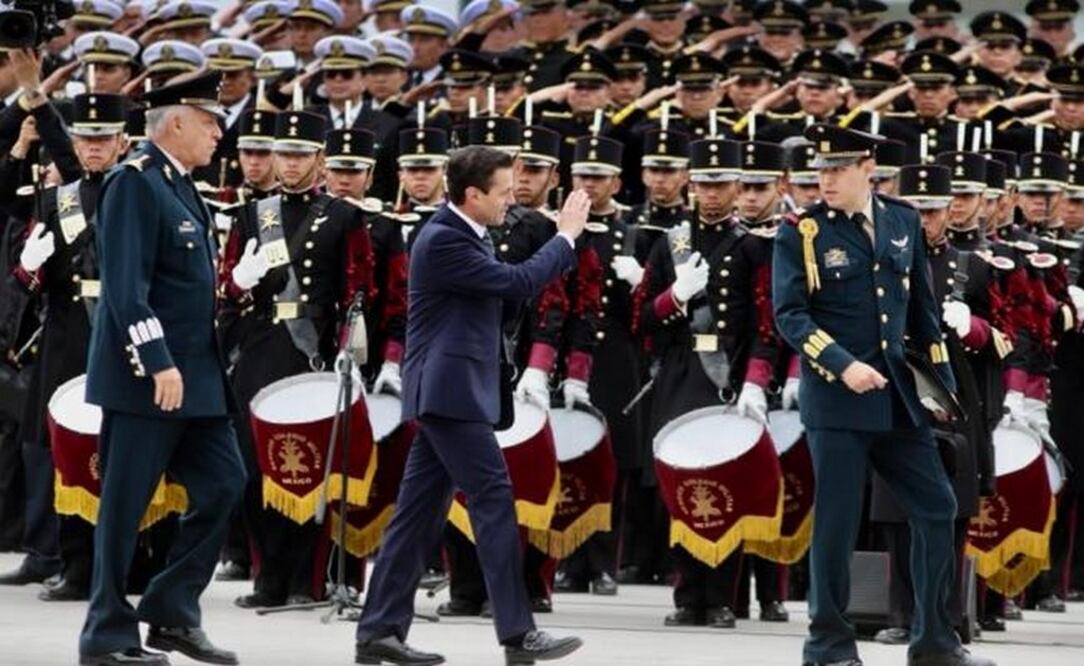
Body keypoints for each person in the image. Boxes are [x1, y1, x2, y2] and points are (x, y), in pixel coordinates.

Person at [353, 145, 587, 666]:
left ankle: (378, 633)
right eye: (503, 191)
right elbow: (518, 283)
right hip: (450, 393)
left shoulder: (469, 235)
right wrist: (566, 236)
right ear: (473, 194)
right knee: (494, 498)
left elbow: (505, 300)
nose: (512, 199)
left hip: (453, 391)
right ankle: (516, 632)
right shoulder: (443, 239)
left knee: (416, 515)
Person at [772, 123, 995, 666]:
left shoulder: (900, 220)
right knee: (838, 522)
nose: (825, 181)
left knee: (938, 506)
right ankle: (828, 644)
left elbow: (920, 308)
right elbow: (790, 315)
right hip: (838, 400)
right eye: (820, 170)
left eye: (837, 170)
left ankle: (935, 640)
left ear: (868, 167)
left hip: (898, 397)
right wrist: (840, 365)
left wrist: (940, 385)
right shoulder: (801, 232)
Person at [78, 71, 244, 666]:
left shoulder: (183, 186)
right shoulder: (135, 183)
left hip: (196, 379)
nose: (219, 134)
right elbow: (126, 290)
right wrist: (156, 362)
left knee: (227, 485)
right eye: (210, 122)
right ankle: (106, 636)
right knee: (123, 509)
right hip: (149, 380)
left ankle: (172, 612)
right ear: (175, 122)